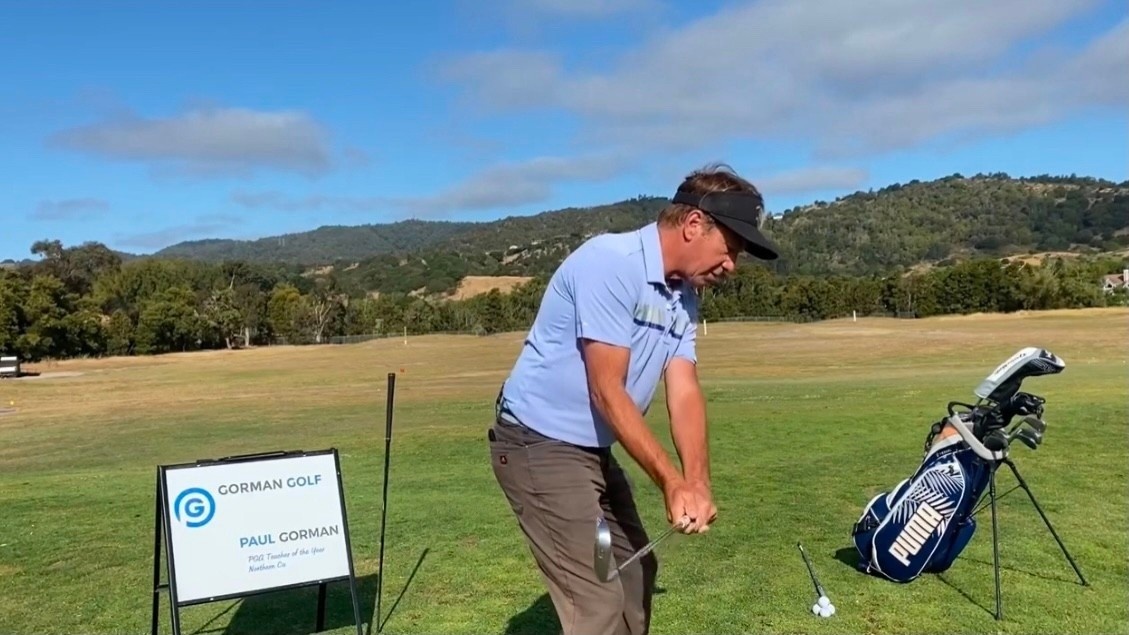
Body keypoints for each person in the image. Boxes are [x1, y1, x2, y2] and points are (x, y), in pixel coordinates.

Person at [487, 163, 780, 635]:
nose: (732, 265)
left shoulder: (683, 296)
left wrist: (697, 482)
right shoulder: (611, 263)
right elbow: (607, 390)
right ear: (693, 225)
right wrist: (670, 482)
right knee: (596, 599)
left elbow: (684, 390)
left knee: (635, 569)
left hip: (591, 451)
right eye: (730, 249)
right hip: (538, 446)